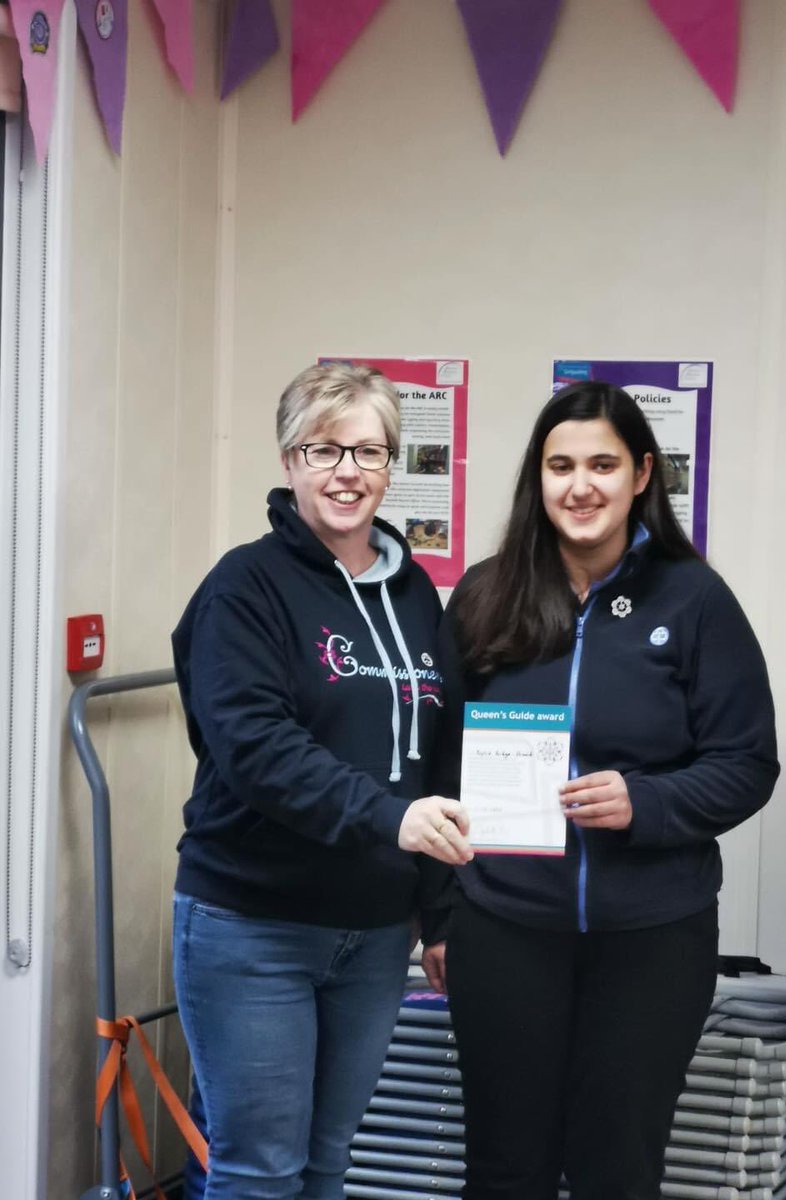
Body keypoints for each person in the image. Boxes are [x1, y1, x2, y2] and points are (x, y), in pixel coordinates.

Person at [421, 381, 779, 1200]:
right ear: (536, 479)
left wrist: (645, 803)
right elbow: (440, 772)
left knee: (617, 1170)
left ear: (641, 474)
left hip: (651, 939)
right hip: (504, 930)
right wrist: (439, 916)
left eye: (602, 464)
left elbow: (747, 762)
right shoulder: (484, 596)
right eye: (560, 465)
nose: (580, 486)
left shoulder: (693, 599)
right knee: (505, 1169)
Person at [171, 361, 472, 1200]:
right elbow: (255, 747)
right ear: (289, 461)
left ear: (391, 466)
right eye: (324, 449)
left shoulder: (416, 595)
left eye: (369, 452)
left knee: (327, 1164)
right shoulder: (245, 587)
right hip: (252, 923)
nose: (348, 472)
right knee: (259, 1171)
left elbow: (435, 757)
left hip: (375, 933)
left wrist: (438, 911)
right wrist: (390, 819)